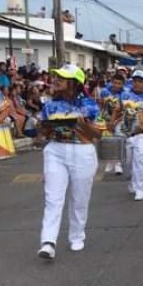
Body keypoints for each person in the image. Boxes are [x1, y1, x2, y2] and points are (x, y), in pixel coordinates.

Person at [36, 64, 102, 259]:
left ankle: (77, 235)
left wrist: (84, 125)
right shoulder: (49, 105)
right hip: (55, 151)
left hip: (82, 152)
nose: (56, 80)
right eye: (56, 77)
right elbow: (43, 134)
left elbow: (98, 134)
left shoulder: (89, 105)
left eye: (62, 78)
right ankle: (48, 241)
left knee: (79, 199)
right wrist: (41, 131)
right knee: (53, 198)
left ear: (74, 83)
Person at [113, 70, 143, 201]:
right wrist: (111, 123)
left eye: (140, 81)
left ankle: (140, 188)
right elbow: (117, 111)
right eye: (135, 81)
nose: (137, 84)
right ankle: (133, 182)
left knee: (139, 161)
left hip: (141, 135)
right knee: (128, 162)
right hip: (126, 134)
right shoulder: (124, 95)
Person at [98, 71, 127, 175]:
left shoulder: (125, 94)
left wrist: (117, 120)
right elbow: (101, 105)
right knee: (108, 139)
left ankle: (118, 165)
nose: (116, 85)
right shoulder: (105, 92)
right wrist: (101, 118)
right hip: (107, 119)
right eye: (115, 83)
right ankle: (110, 162)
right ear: (111, 82)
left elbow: (125, 109)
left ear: (123, 84)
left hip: (120, 119)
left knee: (119, 140)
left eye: (119, 83)